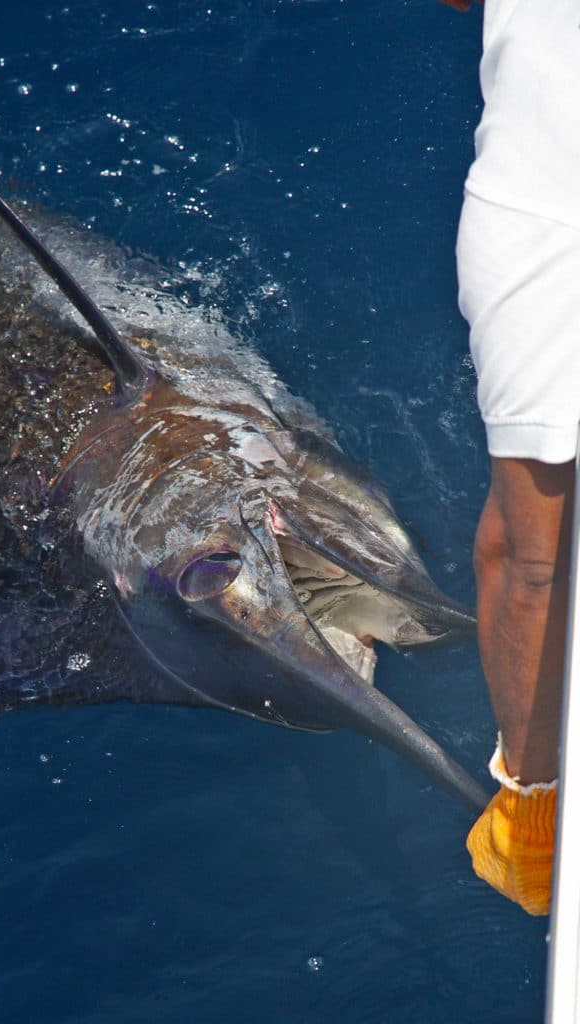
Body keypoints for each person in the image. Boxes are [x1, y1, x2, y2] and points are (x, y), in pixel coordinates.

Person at [441, 0, 580, 914]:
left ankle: (530, 814)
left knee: (532, 555)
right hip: (543, 209)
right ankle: (529, 814)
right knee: (530, 554)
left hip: (540, 205)